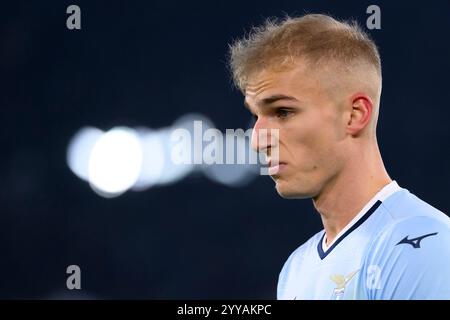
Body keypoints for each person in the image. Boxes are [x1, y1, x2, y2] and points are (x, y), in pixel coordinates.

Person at [228, 13, 450, 299]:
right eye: (256, 116)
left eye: (282, 112)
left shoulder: (422, 245)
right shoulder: (296, 269)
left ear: (354, 115)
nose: (258, 140)